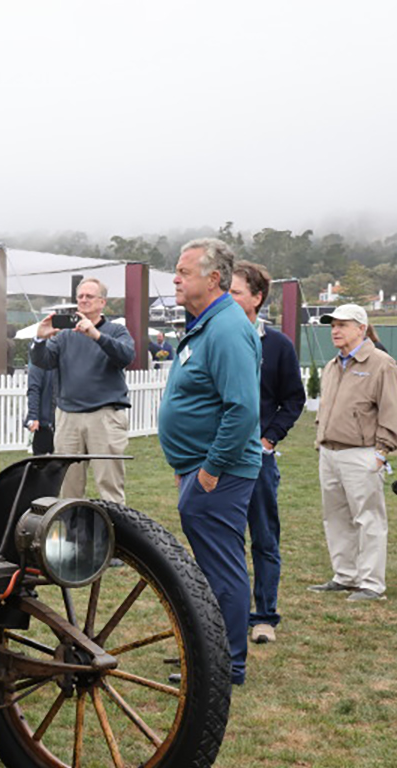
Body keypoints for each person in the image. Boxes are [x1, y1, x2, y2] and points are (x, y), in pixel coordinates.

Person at [158, 238, 262, 686]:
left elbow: (243, 408)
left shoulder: (225, 328)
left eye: (184, 272)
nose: (176, 279)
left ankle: (226, 666)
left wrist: (211, 469)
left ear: (213, 278)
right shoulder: (207, 323)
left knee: (222, 570)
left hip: (218, 472)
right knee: (210, 568)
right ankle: (210, 654)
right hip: (200, 468)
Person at [308, 303, 397, 601]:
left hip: (362, 453)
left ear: (361, 328)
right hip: (329, 452)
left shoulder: (381, 364)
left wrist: (381, 451)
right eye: (332, 325)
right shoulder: (332, 365)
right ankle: (345, 576)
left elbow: (394, 411)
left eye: (342, 325)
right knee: (335, 517)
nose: (335, 330)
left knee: (368, 519)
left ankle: (371, 584)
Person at [230, 261, 306, 644]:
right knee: (223, 542)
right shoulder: (217, 337)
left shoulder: (276, 345)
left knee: (263, 537)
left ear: (257, 298)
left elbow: (294, 398)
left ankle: (264, 616)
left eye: (236, 291)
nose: (228, 298)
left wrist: (269, 438)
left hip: (257, 460)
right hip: (217, 460)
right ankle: (227, 616)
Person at [28, 278, 134, 502]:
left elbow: (126, 356)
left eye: (89, 296)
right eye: (80, 296)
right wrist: (39, 339)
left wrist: (96, 335)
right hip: (68, 417)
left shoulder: (116, 331)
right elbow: (43, 361)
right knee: (68, 488)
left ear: (102, 302)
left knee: (110, 487)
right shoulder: (65, 334)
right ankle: (71, 534)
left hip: (104, 416)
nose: (83, 300)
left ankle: (114, 534)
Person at [24, 359, 57, 455]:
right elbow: (34, 389)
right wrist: (33, 416)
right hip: (46, 423)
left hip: (64, 420)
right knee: (41, 464)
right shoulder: (40, 358)